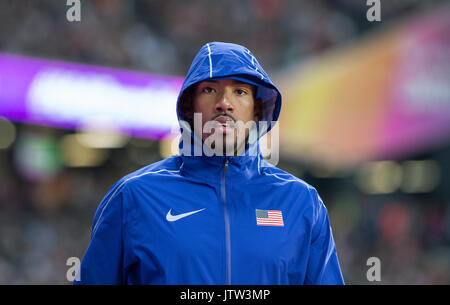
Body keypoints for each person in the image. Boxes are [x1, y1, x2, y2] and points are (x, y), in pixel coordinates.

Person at [75, 42, 344, 285]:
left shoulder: (301, 203)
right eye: (210, 90)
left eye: (239, 91)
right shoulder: (133, 196)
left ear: (258, 109)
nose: (224, 103)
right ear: (189, 106)